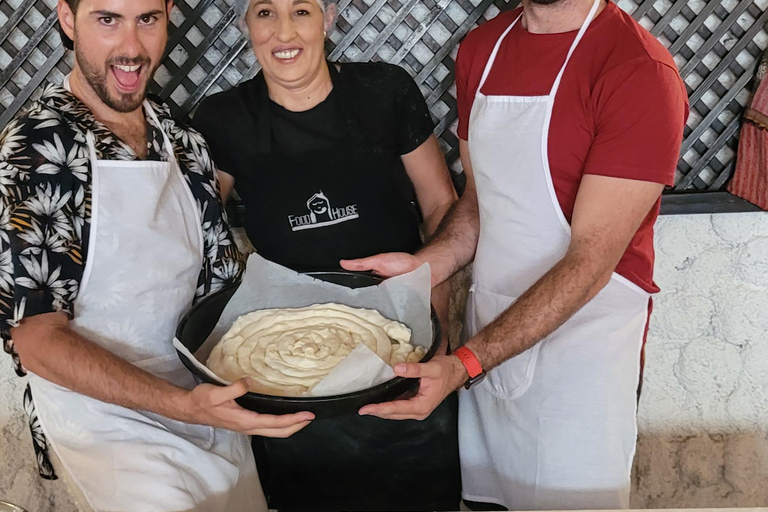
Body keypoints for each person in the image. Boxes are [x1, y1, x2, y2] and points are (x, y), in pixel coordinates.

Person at [342, 0, 689, 510]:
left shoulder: (638, 71)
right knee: (488, 501)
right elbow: (482, 202)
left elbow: (591, 261)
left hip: (583, 359)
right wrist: (426, 266)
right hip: (489, 341)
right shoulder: (482, 49)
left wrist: (464, 365)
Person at [0, 0, 314, 510]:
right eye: (107, 19)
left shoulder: (180, 135)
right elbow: (36, 339)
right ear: (65, 18)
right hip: (106, 423)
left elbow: (218, 287)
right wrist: (181, 406)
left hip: (205, 401)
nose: (131, 48)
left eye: (147, 19)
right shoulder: (38, 148)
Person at [191, 0, 460, 510]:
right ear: (246, 23)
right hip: (280, 366)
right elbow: (200, 230)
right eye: (265, 12)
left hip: (399, 350)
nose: (283, 31)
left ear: (329, 16)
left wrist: (435, 332)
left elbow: (439, 204)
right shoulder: (225, 119)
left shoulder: (384, 92)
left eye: (302, 11)